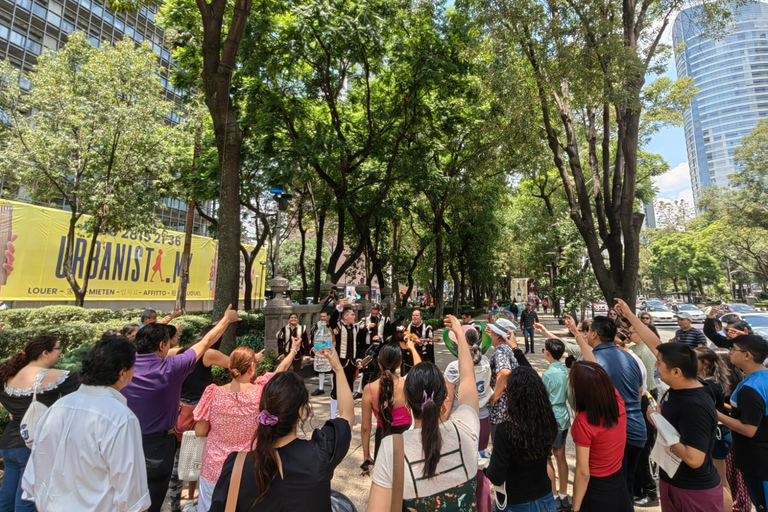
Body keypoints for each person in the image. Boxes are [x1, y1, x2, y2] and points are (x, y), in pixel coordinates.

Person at [121, 305, 239, 512]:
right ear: (161, 345)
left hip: (124, 441)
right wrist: (226, 320)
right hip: (157, 446)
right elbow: (206, 343)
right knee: (152, 499)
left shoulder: (124, 367)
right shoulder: (171, 367)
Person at [208, 347, 354, 511]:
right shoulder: (320, 454)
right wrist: (338, 370)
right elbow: (347, 415)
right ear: (301, 411)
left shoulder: (236, 466)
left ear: (263, 409)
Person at [21, 336, 150, 512]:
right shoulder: (120, 417)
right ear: (122, 373)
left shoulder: (57, 407)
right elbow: (133, 495)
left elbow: (33, 475)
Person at [368, 315, 480, 511]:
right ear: (446, 397)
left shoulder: (391, 448)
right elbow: (468, 375)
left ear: (408, 404)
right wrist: (459, 334)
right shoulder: (467, 427)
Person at [193, 341, 299, 511]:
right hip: (251, 467)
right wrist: (293, 350)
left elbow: (200, 431)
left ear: (229, 366)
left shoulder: (213, 393)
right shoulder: (261, 391)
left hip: (214, 467)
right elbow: (280, 372)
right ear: (252, 367)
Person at [570, 313, 646, 501]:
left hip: (614, 433)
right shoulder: (629, 357)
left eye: (586, 332)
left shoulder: (591, 365)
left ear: (594, 334)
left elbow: (582, 401)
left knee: (609, 488)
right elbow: (639, 392)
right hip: (638, 429)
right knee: (625, 487)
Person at [0, 336, 79, 512]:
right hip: (33, 443)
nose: (61, 353)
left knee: (6, 496)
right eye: (58, 348)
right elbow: (78, 398)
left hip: (8, 443)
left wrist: (15, 412)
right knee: (27, 498)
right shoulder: (57, 376)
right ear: (45, 353)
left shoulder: (7, 375)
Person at [650, 343, 724, 512]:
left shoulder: (695, 405)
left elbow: (694, 459)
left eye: (659, 363)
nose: (656, 366)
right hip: (672, 480)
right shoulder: (680, 387)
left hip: (693, 490)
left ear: (677, 372)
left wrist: (658, 423)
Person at [168, 325, 232, 512]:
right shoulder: (209, 353)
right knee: (198, 457)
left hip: (178, 410)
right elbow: (235, 364)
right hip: (199, 412)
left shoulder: (178, 351)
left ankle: (176, 504)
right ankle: (191, 500)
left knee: (178, 459)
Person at [485, 366, 559, 512]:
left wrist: (485, 467)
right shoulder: (547, 422)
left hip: (516, 502)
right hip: (545, 497)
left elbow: (497, 476)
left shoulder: (505, 430)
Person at [570, 361, 632, 512]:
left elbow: (583, 473)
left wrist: (575, 507)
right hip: (619, 484)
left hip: (596, 490)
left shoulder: (584, 422)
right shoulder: (619, 405)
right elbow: (600, 377)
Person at [443, 326, 493, 512]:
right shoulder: (486, 360)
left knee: (460, 466)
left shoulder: (454, 367)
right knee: (480, 467)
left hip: (461, 423)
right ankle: (484, 505)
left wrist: (443, 422)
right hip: (483, 419)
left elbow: (448, 400)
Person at [717, 334, 768, 512]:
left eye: (734, 349)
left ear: (748, 355)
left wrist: (716, 414)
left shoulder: (751, 388)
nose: (730, 352)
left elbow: (749, 429)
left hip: (759, 462)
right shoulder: (762, 378)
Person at [361, 341, 420, 466]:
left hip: (382, 438)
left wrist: (366, 455)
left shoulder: (369, 389)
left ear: (378, 362)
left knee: (383, 480)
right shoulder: (407, 383)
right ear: (399, 363)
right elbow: (419, 366)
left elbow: (366, 428)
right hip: (406, 437)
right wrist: (412, 348)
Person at [696, 347, 736, 512]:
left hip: (718, 434)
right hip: (718, 433)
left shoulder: (710, 385)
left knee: (720, 480)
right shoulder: (711, 382)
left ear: (704, 364)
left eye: (693, 358)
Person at [542, 338, 572, 511]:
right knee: (561, 455)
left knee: (547, 456)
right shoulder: (565, 371)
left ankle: (553, 495)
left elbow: (542, 398)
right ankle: (564, 494)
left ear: (547, 352)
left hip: (550, 417)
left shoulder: (548, 375)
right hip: (563, 416)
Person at [487, 318, 519, 440]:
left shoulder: (501, 350)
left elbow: (505, 372)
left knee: (500, 443)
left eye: (493, 333)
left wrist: (496, 394)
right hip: (511, 404)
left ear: (498, 336)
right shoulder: (510, 348)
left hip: (501, 407)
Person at [328, 304, 360, 419]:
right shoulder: (339, 327)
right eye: (352, 315)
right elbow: (331, 321)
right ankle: (332, 416)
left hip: (351, 362)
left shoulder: (355, 327)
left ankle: (346, 413)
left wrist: (359, 360)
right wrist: (338, 308)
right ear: (345, 317)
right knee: (336, 390)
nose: (354, 316)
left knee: (349, 389)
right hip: (340, 363)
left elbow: (358, 345)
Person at [356, 303, 394, 398]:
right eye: (373, 313)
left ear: (379, 312)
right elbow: (358, 332)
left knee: (381, 368)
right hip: (367, 347)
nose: (374, 315)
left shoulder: (385, 320)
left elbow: (390, 333)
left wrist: (381, 338)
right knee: (364, 367)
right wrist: (367, 328)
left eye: (376, 313)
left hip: (380, 347)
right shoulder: (364, 320)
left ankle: (383, 389)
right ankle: (360, 390)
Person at [402, 309, 434, 374]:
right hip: (409, 357)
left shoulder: (427, 328)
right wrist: (406, 338)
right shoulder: (407, 327)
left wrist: (422, 343)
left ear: (421, 317)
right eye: (413, 315)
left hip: (422, 356)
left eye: (417, 315)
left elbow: (431, 342)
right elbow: (400, 337)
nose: (414, 317)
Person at [310, 310, 334, 396]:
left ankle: (333, 388)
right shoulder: (317, 326)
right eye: (321, 317)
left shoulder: (333, 325)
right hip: (320, 350)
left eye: (324, 316)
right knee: (320, 369)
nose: (323, 318)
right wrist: (313, 347)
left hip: (331, 350)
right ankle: (320, 388)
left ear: (328, 317)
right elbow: (313, 337)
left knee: (332, 370)